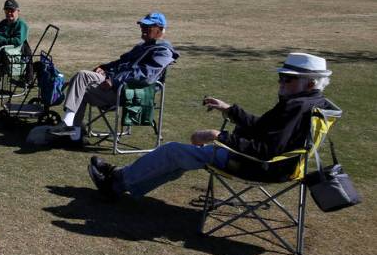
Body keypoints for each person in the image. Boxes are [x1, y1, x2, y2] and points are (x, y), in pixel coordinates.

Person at [88, 52, 336, 199]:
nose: (281, 83)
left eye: (288, 79)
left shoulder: (297, 107)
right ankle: (121, 180)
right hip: (274, 165)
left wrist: (218, 135)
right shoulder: (309, 102)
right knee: (182, 158)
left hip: (260, 165)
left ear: (311, 83)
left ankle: (115, 183)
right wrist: (229, 110)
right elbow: (261, 127)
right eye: (281, 77)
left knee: (174, 151)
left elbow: (266, 149)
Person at [52, 11, 179, 144]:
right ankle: (74, 136)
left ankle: (68, 125)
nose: (142, 29)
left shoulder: (163, 52)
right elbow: (120, 63)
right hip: (115, 85)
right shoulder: (143, 46)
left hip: (129, 92)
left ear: (159, 29)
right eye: (142, 26)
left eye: (147, 27)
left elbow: (145, 76)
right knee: (79, 83)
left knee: (81, 78)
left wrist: (114, 80)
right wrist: (104, 68)